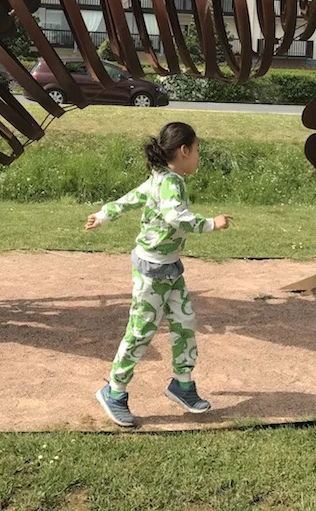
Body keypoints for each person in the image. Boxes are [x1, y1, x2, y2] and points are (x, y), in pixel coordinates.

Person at [85, 122, 232, 427]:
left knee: (184, 322)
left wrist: (102, 215)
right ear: (184, 151)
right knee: (141, 332)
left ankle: (182, 384)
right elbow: (176, 217)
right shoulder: (169, 183)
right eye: (197, 150)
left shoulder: (163, 178)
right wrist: (211, 223)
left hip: (171, 269)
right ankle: (114, 391)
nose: (198, 157)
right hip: (152, 272)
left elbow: (132, 198)